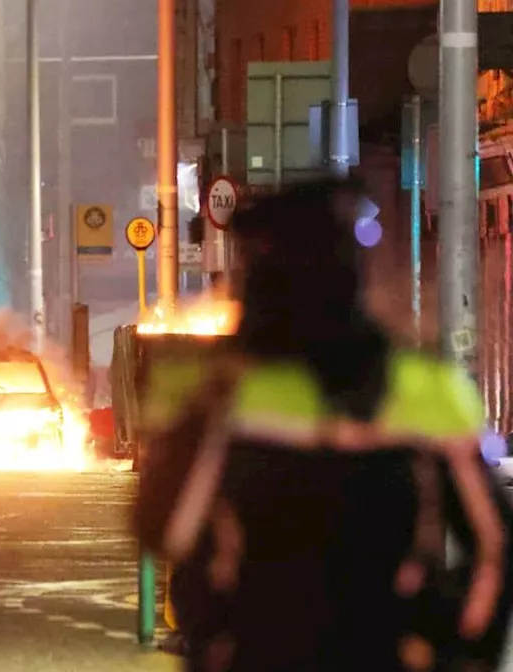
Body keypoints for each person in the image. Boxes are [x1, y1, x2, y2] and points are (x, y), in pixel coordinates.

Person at [135, 178, 513, 671]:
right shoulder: (427, 389)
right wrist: (459, 652)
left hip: (258, 652)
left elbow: (163, 530)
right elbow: (493, 547)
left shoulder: (218, 392)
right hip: (383, 652)